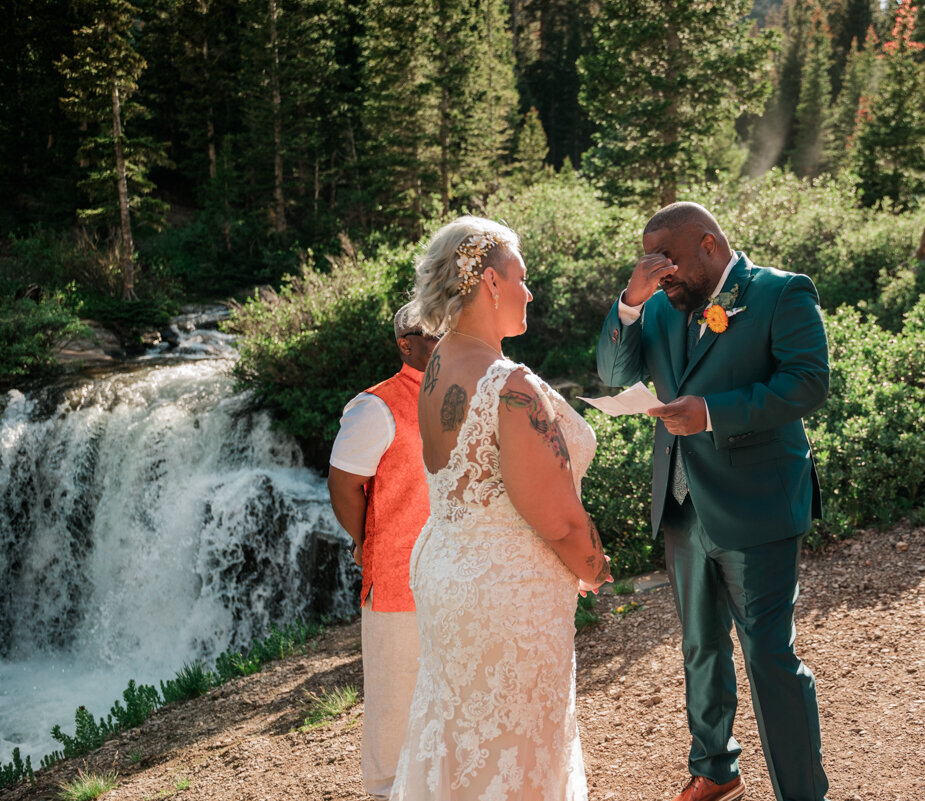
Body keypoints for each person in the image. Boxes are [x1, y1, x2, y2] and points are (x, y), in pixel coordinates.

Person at [596, 202, 831, 801]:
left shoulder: (781, 292)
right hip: (680, 506)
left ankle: (802, 793)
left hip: (756, 503)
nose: (661, 272)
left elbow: (807, 383)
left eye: (667, 260)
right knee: (699, 645)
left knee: (769, 656)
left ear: (707, 244)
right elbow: (611, 370)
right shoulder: (657, 303)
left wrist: (711, 413)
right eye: (651, 262)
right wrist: (631, 297)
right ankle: (716, 769)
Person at [390, 216, 611, 801]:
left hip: (446, 570)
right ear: (489, 282)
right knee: (517, 752)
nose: (529, 291)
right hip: (505, 594)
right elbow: (558, 518)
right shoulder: (507, 385)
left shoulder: (438, 364)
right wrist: (595, 566)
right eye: (522, 277)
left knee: (462, 741)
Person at [328, 301, 438, 800]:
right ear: (405, 344)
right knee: (394, 708)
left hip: (461, 576)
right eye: (431, 334)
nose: (443, 341)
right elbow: (344, 485)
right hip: (399, 579)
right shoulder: (376, 406)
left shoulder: (469, 393)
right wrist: (365, 542)